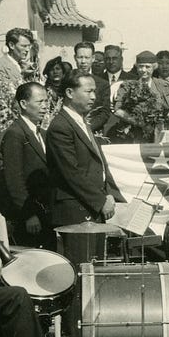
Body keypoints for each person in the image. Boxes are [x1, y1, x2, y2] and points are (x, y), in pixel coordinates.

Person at [46, 72, 117, 228]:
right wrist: (100, 201)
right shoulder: (61, 126)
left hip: (91, 206)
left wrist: (109, 193)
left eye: (94, 92)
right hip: (75, 211)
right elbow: (71, 172)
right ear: (70, 93)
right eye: (88, 91)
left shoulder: (81, 122)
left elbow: (99, 163)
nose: (93, 97)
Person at [0, 83, 55, 248]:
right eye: (39, 102)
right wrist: (29, 215)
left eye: (46, 102)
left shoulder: (40, 133)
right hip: (29, 213)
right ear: (23, 104)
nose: (45, 107)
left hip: (44, 211)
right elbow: (14, 178)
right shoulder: (16, 133)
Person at [0, 28, 37, 134]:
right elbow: (6, 96)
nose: (27, 50)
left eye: (28, 46)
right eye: (23, 46)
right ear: (11, 45)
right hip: (9, 121)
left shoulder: (21, 66)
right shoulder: (0, 66)